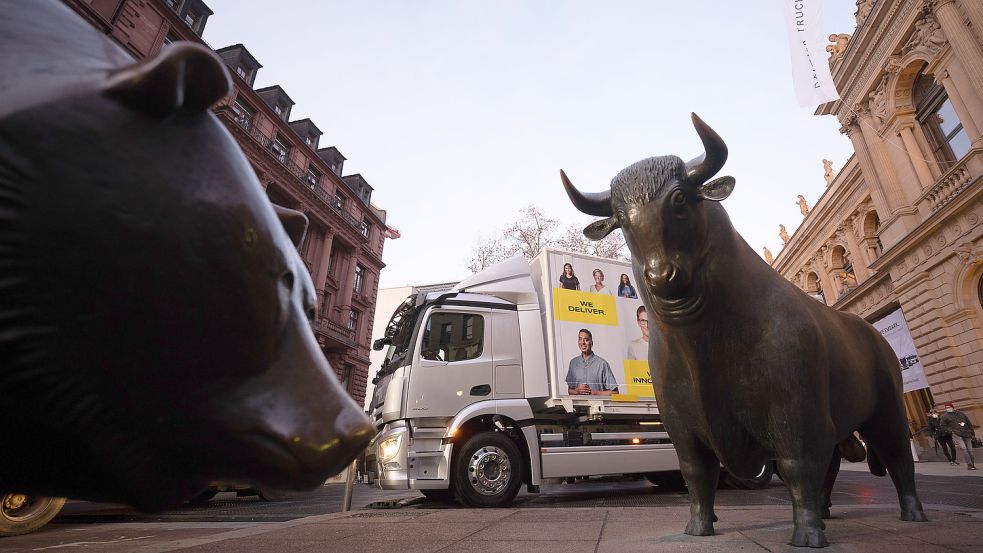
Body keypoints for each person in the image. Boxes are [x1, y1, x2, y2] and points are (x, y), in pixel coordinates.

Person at [565, 329, 618, 396]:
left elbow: (615, 392)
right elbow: (570, 391)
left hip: (598, 406)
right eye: (580, 339)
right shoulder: (573, 363)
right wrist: (577, 391)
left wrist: (593, 393)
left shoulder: (602, 364)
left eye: (586, 339)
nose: (582, 342)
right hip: (577, 406)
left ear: (591, 343)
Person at [940, 402, 977, 470]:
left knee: (970, 450)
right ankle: (969, 464)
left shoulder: (961, 414)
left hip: (966, 434)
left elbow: (968, 423)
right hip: (957, 434)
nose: (948, 409)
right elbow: (943, 426)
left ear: (952, 407)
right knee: (964, 448)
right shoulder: (944, 416)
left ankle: (972, 464)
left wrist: (972, 433)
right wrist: (951, 431)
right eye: (946, 408)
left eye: (949, 407)